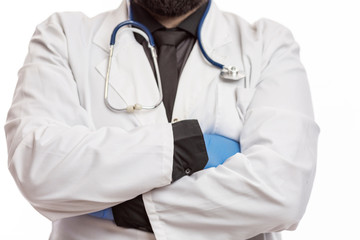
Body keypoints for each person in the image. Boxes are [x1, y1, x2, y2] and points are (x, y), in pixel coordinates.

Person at [4, 0, 319, 239]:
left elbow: (282, 192)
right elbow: (39, 167)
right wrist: (189, 146)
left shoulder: (268, 45)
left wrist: (119, 204)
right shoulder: (62, 37)